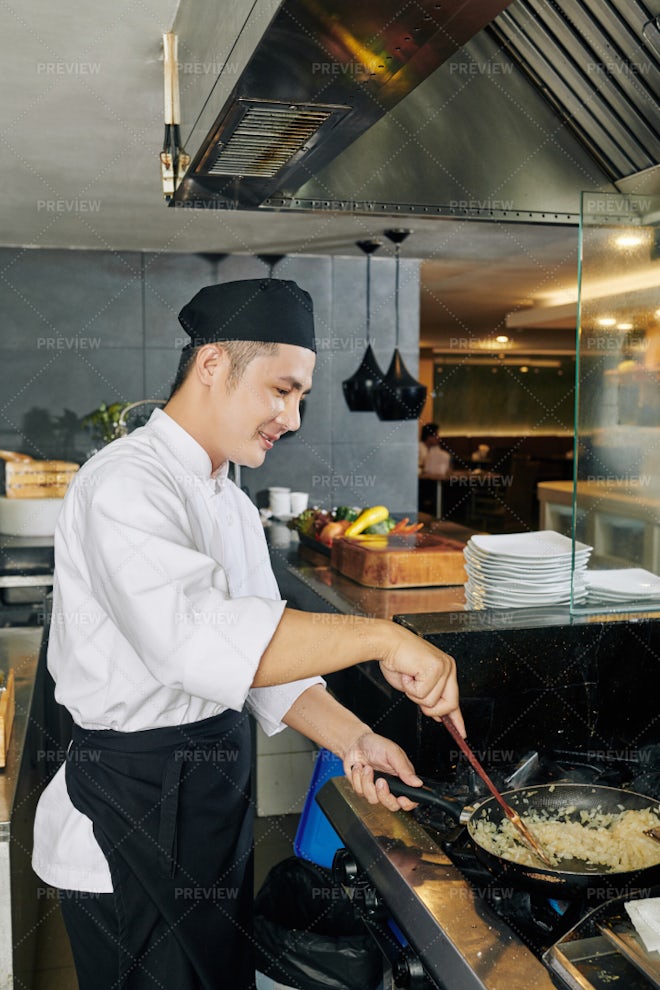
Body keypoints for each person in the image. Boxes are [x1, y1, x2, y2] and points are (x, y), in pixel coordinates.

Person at [32, 278, 463, 990]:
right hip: (129, 818)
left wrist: (353, 739)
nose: (292, 418)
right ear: (212, 366)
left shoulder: (229, 500)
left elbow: (266, 666)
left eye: (300, 397)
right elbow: (198, 640)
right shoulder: (123, 487)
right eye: (282, 390)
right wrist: (382, 637)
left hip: (209, 809)